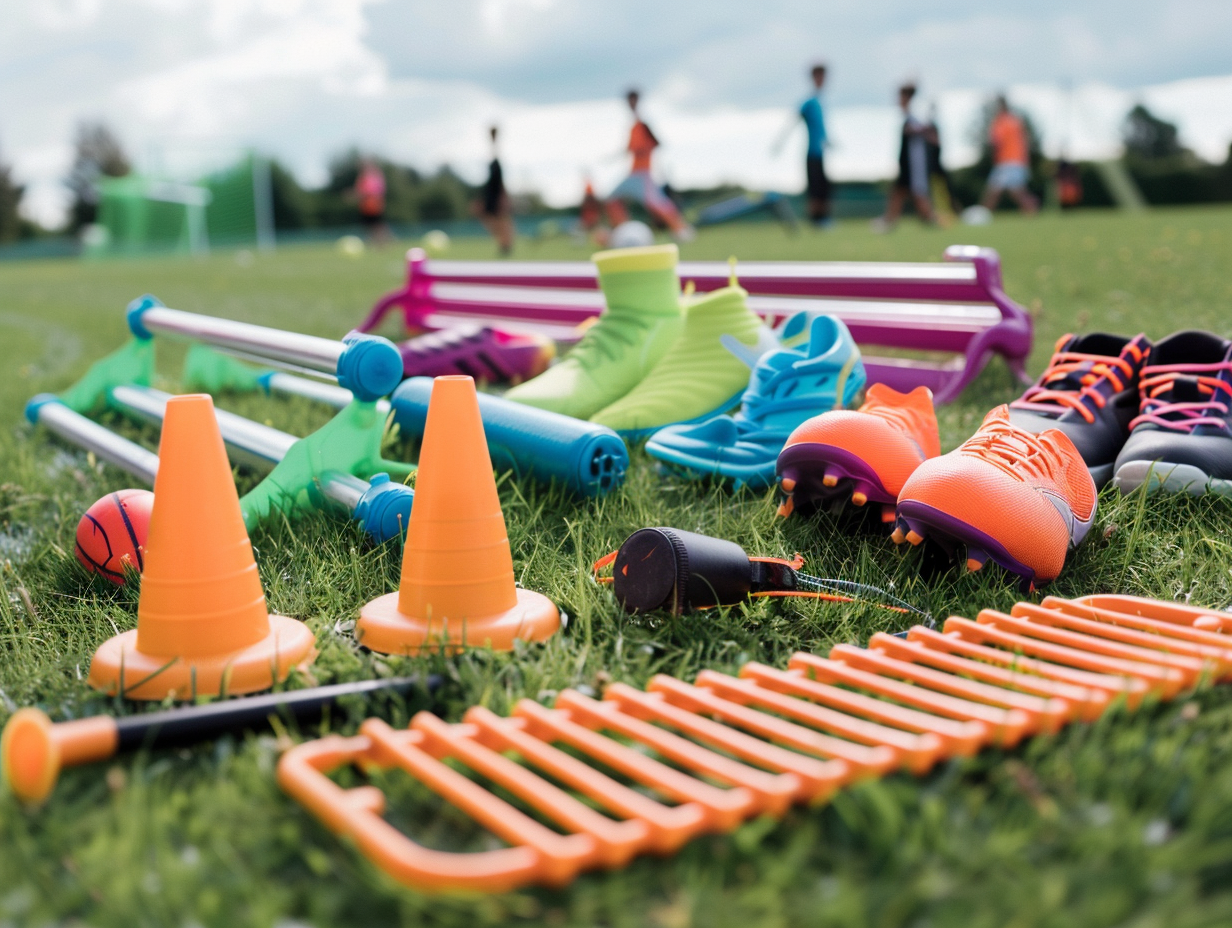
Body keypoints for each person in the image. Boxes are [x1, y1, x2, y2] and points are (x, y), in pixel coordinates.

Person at [606, 89, 694, 241]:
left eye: (633, 100)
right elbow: (629, 149)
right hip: (633, 173)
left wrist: (643, 151)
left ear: (637, 101)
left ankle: (682, 231)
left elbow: (657, 143)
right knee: (612, 199)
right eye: (628, 101)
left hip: (643, 174)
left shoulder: (643, 125)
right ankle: (623, 231)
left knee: (658, 204)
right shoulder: (633, 127)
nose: (630, 104)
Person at [873, 83, 935, 231]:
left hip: (913, 163)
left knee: (913, 192)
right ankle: (891, 220)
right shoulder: (908, 115)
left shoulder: (914, 115)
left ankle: (930, 218)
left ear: (907, 97)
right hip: (907, 161)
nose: (898, 100)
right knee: (901, 192)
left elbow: (924, 130)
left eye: (900, 96)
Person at [981, 95, 1039, 214]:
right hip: (1018, 160)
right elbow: (1025, 141)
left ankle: (983, 215)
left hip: (1005, 161)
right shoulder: (1016, 120)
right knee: (1014, 190)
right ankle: (1031, 207)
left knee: (996, 190)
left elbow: (995, 142)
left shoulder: (1000, 122)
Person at [474, 126, 514, 255]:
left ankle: (505, 244)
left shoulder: (496, 164)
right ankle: (505, 243)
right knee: (493, 221)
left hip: (496, 195)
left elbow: (499, 181)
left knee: (500, 221)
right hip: (491, 195)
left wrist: (503, 197)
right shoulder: (493, 162)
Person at [354, 157, 390, 244]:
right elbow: (360, 191)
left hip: (374, 205)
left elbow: (377, 191)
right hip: (365, 206)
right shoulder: (362, 178)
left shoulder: (375, 177)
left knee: (377, 225)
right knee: (369, 226)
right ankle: (374, 242)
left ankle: (384, 242)